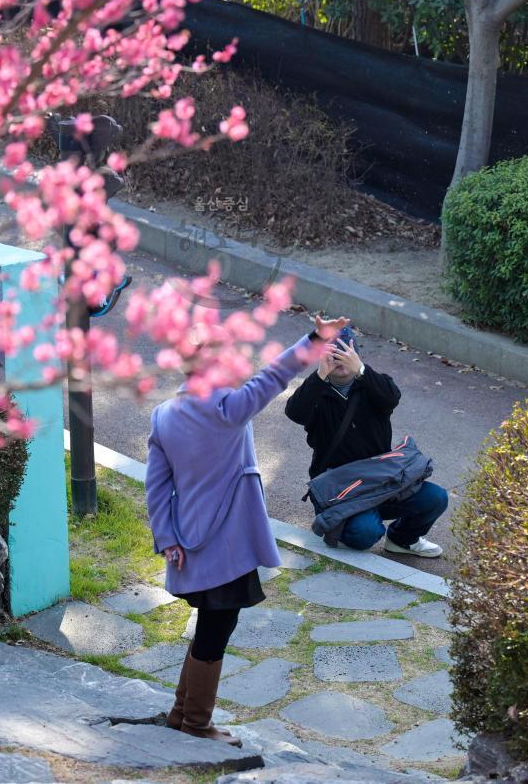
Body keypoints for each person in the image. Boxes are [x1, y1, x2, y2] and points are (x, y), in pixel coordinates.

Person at [146, 313, 347, 745]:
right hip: (229, 542)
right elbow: (275, 375)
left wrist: (167, 539)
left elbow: (156, 487)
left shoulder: (164, 415)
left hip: (188, 539)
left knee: (208, 625)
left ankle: (181, 714)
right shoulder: (228, 408)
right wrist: (315, 338)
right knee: (216, 629)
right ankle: (197, 724)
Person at [283, 327, 448, 557]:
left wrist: (361, 370)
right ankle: (348, 522)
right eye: (333, 354)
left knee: (436, 498)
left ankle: (401, 540)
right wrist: (320, 374)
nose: (339, 360)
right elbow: (295, 413)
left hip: (382, 480)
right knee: (365, 533)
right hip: (341, 488)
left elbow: (392, 397)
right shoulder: (317, 392)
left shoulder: (372, 385)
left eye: (345, 352)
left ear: (356, 355)